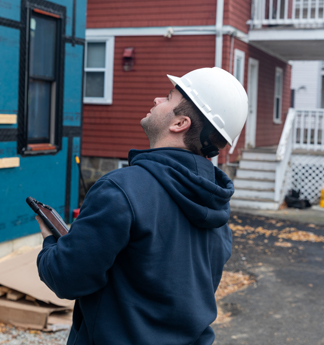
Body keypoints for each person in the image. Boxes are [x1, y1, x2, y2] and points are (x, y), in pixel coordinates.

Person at [36, 67, 248, 344]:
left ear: (180, 123)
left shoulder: (122, 190)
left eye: (170, 97)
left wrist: (51, 241)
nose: (159, 99)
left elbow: (67, 278)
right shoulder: (216, 207)